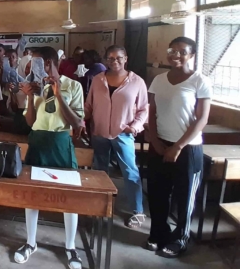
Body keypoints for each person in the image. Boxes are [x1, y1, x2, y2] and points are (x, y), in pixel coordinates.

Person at [14, 47, 85, 269]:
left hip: (60, 143)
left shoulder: (73, 86)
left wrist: (57, 93)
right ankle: (30, 242)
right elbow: (30, 123)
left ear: (50, 63)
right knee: (32, 195)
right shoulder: (35, 87)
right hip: (38, 142)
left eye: (37, 63)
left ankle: (71, 247)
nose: (31, 67)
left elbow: (76, 123)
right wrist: (30, 96)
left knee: (68, 196)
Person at [145, 37, 211, 258]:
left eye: (182, 52)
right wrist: (154, 140)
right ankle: (158, 233)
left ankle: (181, 238)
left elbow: (201, 119)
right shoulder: (158, 80)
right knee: (157, 193)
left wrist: (178, 147)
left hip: (187, 148)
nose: (175, 55)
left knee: (184, 197)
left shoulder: (199, 81)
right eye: (172, 50)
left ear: (191, 55)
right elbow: (151, 112)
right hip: (159, 145)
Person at [85, 45, 148, 229]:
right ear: (105, 60)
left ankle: (137, 211)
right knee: (99, 170)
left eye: (119, 58)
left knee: (130, 171)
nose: (115, 62)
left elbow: (144, 108)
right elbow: (89, 104)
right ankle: (100, 206)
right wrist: (82, 120)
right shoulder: (98, 80)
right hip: (100, 132)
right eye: (110, 58)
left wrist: (135, 127)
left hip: (123, 133)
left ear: (126, 58)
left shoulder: (137, 82)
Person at [9, 50, 32, 135]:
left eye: (31, 68)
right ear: (22, 67)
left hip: (34, 117)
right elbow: (14, 108)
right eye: (27, 67)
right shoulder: (16, 82)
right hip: (20, 118)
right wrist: (12, 92)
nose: (29, 71)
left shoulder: (38, 84)